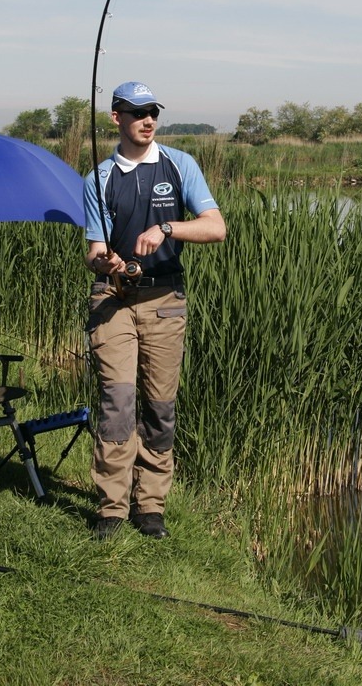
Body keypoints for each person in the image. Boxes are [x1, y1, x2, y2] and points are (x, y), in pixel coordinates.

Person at [83, 80, 226, 540]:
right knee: (118, 401)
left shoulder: (180, 165)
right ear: (116, 118)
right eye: (137, 112)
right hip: (114, 297)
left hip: (165, 299)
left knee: (160, 406)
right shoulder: (99, 178)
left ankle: (151, 506)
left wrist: (166, 227)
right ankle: (111, 507)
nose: (147, 120)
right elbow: (94, 250)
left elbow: (216, 228)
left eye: (153, 112)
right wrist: (105, 260)